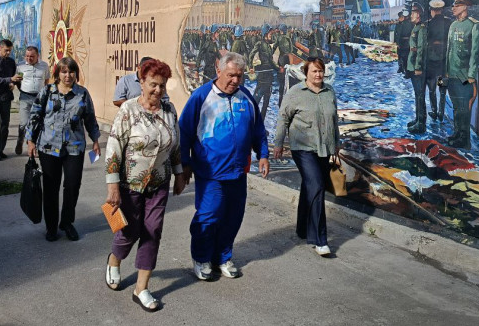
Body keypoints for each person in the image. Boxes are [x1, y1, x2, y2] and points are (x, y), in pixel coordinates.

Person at [179, 52, 270, 281]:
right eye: (231, 75)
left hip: (238, 172)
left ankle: (223, 257)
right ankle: (201, 258)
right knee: (208, 217)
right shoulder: (201, 97)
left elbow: (258, 130)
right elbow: (184, 133)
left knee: (233, 217)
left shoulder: (246, 97)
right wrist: (184, 164)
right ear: (218, 71)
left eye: (239, 76)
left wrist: (263, 155)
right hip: (210, 173)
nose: (235, 81)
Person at [103, 58, 185, 312]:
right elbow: (114, 147)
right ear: (141, 82)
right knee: (129, 231)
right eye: (153, 85)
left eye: (162, 85)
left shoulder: (169, 111)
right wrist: (113, 185)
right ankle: (115, 260)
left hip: (159, 181)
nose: (158, 91)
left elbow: (175, 145)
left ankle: (141, 288)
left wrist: (180, 173)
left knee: (153, 231)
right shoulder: (128, 110)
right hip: (130, 183)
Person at [26, 57, 100, 242]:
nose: (68, 75)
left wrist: (96, 140)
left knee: (72, 186)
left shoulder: (82, 94)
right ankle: (51, 226)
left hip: (74, 147)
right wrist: (31, 140)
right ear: (58, 73)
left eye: (71, 71)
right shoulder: (47, 91)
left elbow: (90, 118)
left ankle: (67, 222)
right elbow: (35, 115)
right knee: (51, 187)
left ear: (76, 73)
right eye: (64, 72)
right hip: (48, 146)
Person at [273, 57, 339, 257]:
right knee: (317, 186)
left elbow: (334, 119)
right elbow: (283, 118)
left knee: (310, 185)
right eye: (314, 71)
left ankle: (302, 228)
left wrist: (336, 144)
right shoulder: (296, 93)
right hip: (302, 148)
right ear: (306, 73)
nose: (318, 75)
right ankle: (320, 239)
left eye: (321, 71)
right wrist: (278, 143)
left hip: (324, 148)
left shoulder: (329, 92)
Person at [444, 0, 479, 149]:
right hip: (452, 73)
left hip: (465, 76)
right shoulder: (453, 25)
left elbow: (475, 52)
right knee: (456, 106)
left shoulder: (474, 25)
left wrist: (472, 75)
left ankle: (464, 139)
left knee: (464, 108)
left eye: (457, 5)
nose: (453, 8)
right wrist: (446, 71)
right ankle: (457, 133)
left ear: (465, 7)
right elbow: (449, 50)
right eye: (453, 5)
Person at [14, 46, 49, 155]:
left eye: (32, 56)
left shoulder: (44, 66)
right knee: (24, 123)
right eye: (27, 56)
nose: (29, 58)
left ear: (37, 56)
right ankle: (20, 140)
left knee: (38, 123)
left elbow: (47, 80)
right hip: (25, 97)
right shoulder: (20, 66)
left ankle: (35, 146)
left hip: (39, 98)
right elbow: (18, 81)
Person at [425, 0, 452, 122]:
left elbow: (425, 42)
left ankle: (434, 111)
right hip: (443, 62)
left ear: (432, 11)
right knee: (442, 88)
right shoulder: (449, 22)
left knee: (431, 89)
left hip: (431, 63)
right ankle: (441, 112)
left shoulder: (428, 24)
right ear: (441, 10)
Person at [406, 2, 428, 134]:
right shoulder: (416, 27)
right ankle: (418, 119)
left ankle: (421, 124)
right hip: (413, 64)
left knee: (420, 95)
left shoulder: (422, 29)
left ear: (418, 15)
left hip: (418, 67)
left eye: (413, 13)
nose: (411, 15)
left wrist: (418, 66)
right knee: (417, 94)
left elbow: (420, 49)